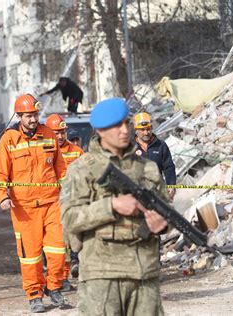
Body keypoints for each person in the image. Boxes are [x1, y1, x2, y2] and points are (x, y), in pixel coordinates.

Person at [60, 98, 169, 315]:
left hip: (143, 273)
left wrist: (162, 224)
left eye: (126, 123)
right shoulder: (82, 169)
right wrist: (111, 206)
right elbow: (70, 219)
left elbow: (165, 211)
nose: (124, 130)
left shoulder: (148, 169)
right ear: (100, 130)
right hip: (102, 273)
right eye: (116, 125)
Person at [0, 94, 67, 313]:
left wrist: (68, 193)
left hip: (52, 202)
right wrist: (2, 196)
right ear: (19, 116)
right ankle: (35, 294)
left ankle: (54, 288)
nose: (33, 119)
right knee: (31, 254)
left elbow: (60, 168)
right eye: (29, 116)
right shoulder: (9, 140)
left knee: (57, 249)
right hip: (24, 208)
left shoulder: (49, 135)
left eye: (35, 115)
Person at [45, 114, 84, 291]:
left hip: (72, 204)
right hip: (50, 204)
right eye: (56, 133)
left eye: (62, 132)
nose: (60, 136)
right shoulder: (44, 150)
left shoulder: (77, 151)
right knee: (56, 245)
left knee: (68, 242)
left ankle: (64, 277)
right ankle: (55, 277)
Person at [134, 112, 177, 200]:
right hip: (139, 195)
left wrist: (171, 185)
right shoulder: (130, 148)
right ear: (136, 131)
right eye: (142, 130)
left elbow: (168, 167)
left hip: (160, 192)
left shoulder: (160, 145)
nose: (146, 132)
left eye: (148, 129)